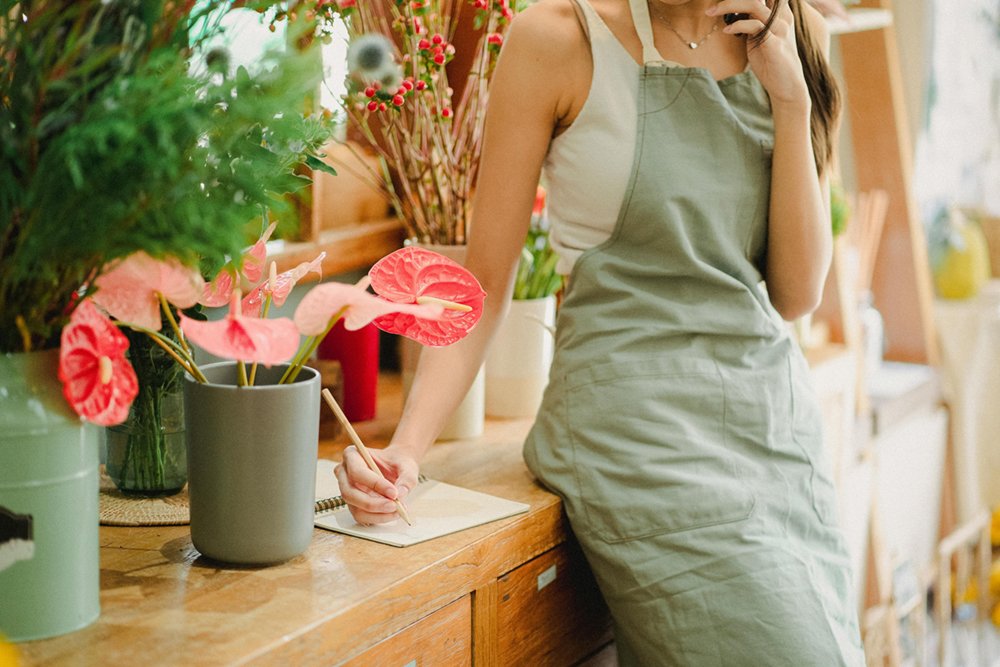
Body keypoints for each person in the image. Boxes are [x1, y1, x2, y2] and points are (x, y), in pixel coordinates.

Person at [334, 0, 866, 663]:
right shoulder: (557, 39)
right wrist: (406, 450)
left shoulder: (794, 33)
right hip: (632, 436)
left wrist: (790, 101)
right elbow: (485, 282)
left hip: (772, 432)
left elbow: (797, 292)